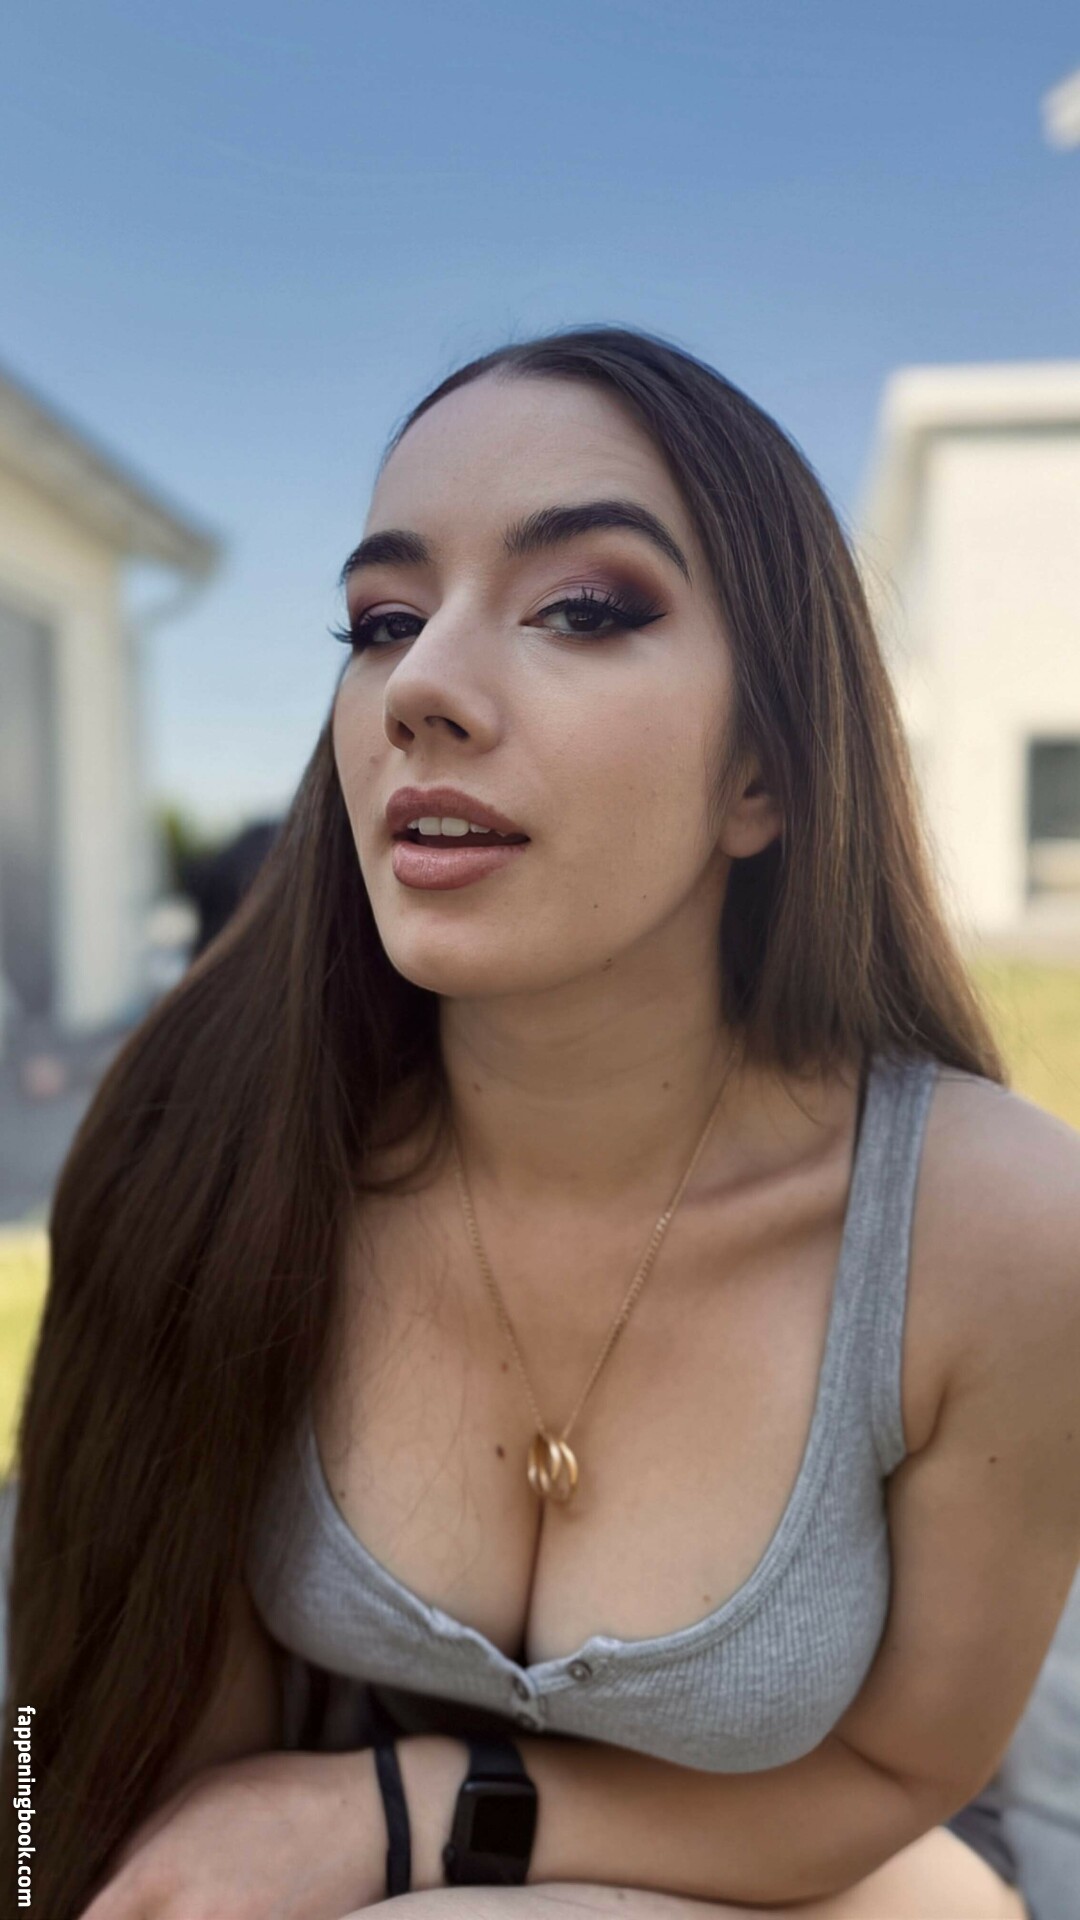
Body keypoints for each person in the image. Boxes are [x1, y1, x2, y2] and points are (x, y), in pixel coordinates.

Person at [4, 325, 1077, 1920]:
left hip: (834, 1862)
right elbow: (93, 1762)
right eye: (383, 621)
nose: (422, 688)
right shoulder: (215, 1150)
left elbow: (894, 1774)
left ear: (765, 775)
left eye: (582, 607)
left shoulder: (997, 1232)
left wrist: (409, 1816)